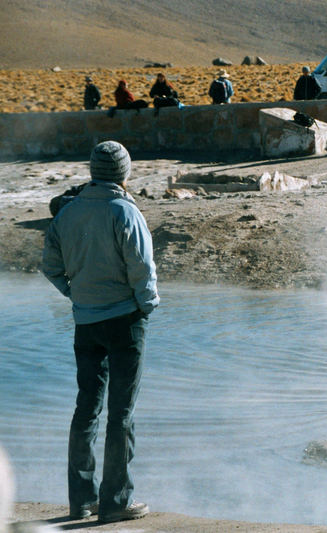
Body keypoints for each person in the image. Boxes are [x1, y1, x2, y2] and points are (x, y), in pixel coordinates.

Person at [41, 141, 158, 524]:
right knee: (121, 413)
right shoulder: (124, 211)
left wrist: (76, 294)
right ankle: (115, 502)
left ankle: (81, 501)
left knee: (87, 407)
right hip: (125, 320)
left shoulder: (68, 213)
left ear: (93, 170)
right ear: (124, 172)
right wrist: (147, 304)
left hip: (86, 321)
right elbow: (141, 268)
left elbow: (52, 267)